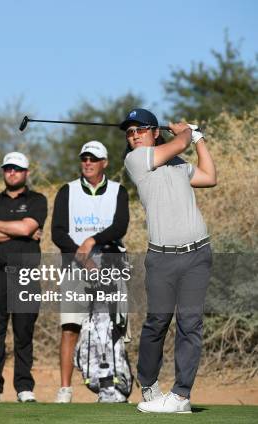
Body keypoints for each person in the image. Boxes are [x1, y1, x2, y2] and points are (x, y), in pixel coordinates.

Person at [120, 109, 216, 414]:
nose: (133, 136)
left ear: (154, 131)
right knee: (157, 322)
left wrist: (198, 137)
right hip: (161, 258)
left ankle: (181, 396)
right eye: (129, 132)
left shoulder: (177, 164)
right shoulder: (136, 160)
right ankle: (148, 384)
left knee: (190, 324)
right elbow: (179, 144)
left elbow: (210, 177)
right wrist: (187, 132)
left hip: (197, 254)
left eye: (139, 130)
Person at [51, 141, 129, 403]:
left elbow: (120, 227)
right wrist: (84, 258)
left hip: (111, 266)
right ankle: (65, 389)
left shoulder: (119, 191)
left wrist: (92, 240)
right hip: (75, 267)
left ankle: (113, 386)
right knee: (71, 327)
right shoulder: (67, 191)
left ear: (104, 163)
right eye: (84, 158)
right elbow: (58, 232)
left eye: (93, 159)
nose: (88, 163)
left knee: (113, 328)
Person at [0, 152, 47, 403]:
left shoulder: (38, 199)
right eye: (8, 169)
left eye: (17, 169)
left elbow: (28, 227)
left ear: (26, 173)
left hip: (25, 272)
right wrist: (19, 230)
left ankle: (24, 386)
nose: (12, 173)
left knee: (23, 333)